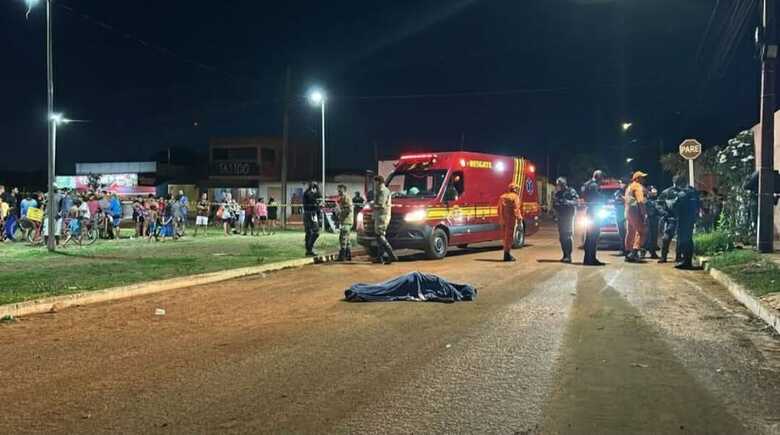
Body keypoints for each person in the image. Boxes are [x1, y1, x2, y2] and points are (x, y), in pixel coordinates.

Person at [673, 177, 701, 269]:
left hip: (683, 219)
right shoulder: (693, 192)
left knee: (684, 240)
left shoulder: (682, 193)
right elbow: (698, 204)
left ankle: (686, 262)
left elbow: (675, 206)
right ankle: (687, 261)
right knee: (689, 239)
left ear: (678, 184)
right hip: (691, 218)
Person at [581, 170, 606, 266]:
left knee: (589, 237)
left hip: (590, 211)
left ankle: (588, 259)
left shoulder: (586, 184)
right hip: (594, 212)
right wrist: (605, 198)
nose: (602, 180)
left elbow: (584, 196)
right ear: (597, 177)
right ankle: (591, 259)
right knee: (593, 236)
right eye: (601, 178)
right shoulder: (594, 185)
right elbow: (598, 196)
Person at [624, 171, 648, 263]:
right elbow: (640, 201)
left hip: (627, 211)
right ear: (637, 179)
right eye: (642, 177)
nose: (644, 179)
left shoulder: (629, 187)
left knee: (630, 232)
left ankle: (627, 253)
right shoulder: (638, 186)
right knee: (642, 231)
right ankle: (634, 253)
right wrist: (644, 214)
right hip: (635, 211)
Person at [372, 175, 397, 264]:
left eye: (375, 182)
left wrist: (372, 205)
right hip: (381, 215)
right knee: (379, 237)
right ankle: (380, 257)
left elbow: (381, 205)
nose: (374, 184)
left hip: (382, 216)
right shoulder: (381, 190)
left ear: (378, 182)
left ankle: (391, 254)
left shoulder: (382, 191)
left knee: (380, 235)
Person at [553, 177, 578, 263]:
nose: (558, 186)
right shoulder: (558, 193)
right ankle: (564, 254)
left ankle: (568, 256)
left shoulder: (571, 191)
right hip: (561, 216)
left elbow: (576, 201)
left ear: (564, 184)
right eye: (557, 184)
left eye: (559, 184)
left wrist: (566, 202)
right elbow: (554, 204)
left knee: (567, 235)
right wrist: (557, 205)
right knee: (562, 237)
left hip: (568, 216)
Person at [658, 178, 683, 263]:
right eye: (676, 182)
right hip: (670, 219)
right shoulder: (667, 192)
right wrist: (664, 212)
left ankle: (679, 257)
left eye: (679, 182)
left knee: (681, 239)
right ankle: (663, 256)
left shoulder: (684, 192)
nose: (678, 184)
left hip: (682, 218)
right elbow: (659, 203)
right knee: (666, 238)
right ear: (673, 182)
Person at [497, 183, 523, 262]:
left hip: (502, 220)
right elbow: (516, 209)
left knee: (504, 236)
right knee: (509, 236)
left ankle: (506, 253)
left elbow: (498, 209)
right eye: (517, 189)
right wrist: (519, 218)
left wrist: (501, 218)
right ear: (515, 190)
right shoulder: (515, 197)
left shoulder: (502, 197)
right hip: (510, 220)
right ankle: (507, 254)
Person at [303, 182, 322, 256]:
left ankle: (309, 250)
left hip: (312, 213)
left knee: (310, 232)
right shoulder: (307, 193)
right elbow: (312, 198)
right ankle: (309, 249)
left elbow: (319, 197)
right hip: (310, 213)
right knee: (314, 232)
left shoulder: (314, 193)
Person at [642, 187, 661, 259]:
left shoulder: (657, 200)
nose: (654, 194)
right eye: (652, 193)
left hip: (654, 219)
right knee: (645, 236)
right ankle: (642, 252)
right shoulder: (644, 200)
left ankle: (653, 252)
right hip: (647, 219)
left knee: (654, 236)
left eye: (654, 193)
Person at [336, 184, 353, 261]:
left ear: (344, 190)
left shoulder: (346, 198)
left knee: (342, 238)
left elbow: (349, 209)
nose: (339, 192)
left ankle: (342, 256)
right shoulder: (343, 197)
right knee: (347, 239)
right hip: (346, 221)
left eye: (340, 190)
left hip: (346, 221)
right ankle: (348, 255)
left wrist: (340, 212)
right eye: (338, 190)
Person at [613, 180, 628, 256]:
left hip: (628, 216)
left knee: (628, 233)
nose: (622, 185)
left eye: (623, 183)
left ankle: (628, 249)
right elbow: (615, 200)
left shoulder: (629, 192)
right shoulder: (617, 193)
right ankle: (623, 249)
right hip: (619, 216)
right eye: (621, 183)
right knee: (622, 234)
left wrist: (624, 198)